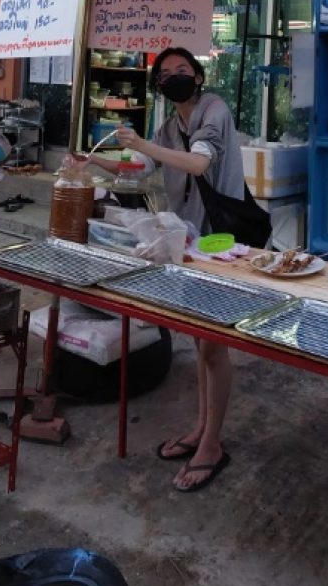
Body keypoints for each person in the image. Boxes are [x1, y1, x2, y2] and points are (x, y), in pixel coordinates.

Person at [76, 47, 246, 493]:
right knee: (200, 341)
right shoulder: (169, 126)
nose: (175, 77)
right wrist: (93, 160)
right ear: (157, 85)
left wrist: (142, 144)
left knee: (214, 347)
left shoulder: (214, 110)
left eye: (183, 71)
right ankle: (201, 430)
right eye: (166, 73)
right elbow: (137, 169)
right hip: (189, 242)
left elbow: (199, 162)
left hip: (223, 244)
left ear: (199, 74)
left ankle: (211, 444)